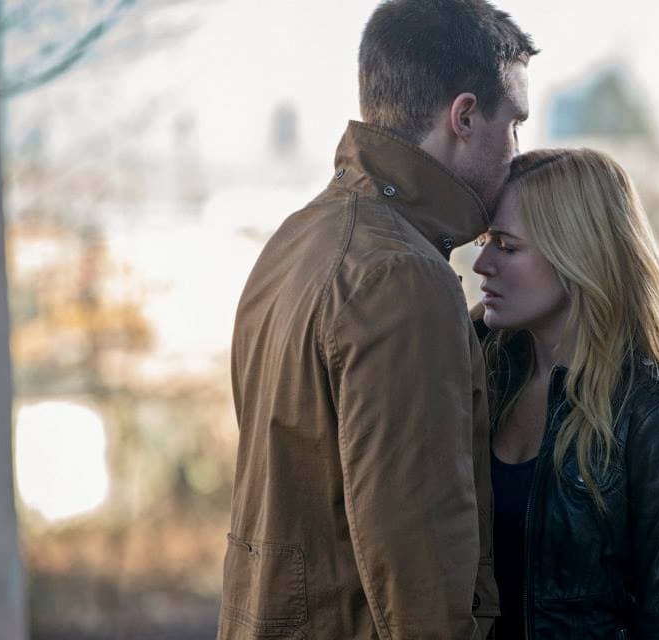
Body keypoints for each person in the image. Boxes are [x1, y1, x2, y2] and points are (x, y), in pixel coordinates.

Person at [217, 2, 537, 638]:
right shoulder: (402, 278)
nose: (516, 151)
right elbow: (418, 565)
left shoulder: (300, 237)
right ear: (464, 117)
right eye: (514, 125)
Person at [471, 148, 659, 639]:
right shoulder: (479, 372)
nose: (482, 264)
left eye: (506, 246)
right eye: (485, 240)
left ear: (577, 253)